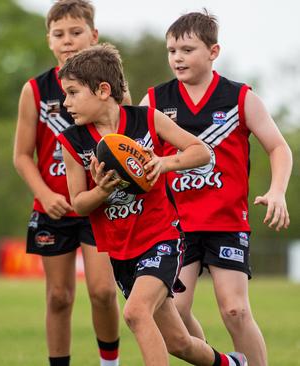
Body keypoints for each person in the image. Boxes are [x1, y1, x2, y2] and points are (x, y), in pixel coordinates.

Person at [57, 43, 248, 366]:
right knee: (178, 342)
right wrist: (101, 190)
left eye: (73, 93)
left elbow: (201, 152)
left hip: (161, 237)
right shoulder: (72, 141)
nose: (66, 102)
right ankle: (233, 363)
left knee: (135, 312)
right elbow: (79, 204)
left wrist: (163, 163)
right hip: (120, 250)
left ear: (103, 90)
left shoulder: (146, 119)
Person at [139, 10, 292, 366]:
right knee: (175, 312)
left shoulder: (240, 98)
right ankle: (218, 362)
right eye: (171, 50)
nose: (177, 57)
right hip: (174, 225)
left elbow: (279, 147)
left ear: (213, 51)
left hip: (226, 221)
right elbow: (136, 154)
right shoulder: (155, 101)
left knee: (235, 310)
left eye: (187, 49)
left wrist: (277, 190)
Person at [12, 1, 125, 365]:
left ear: (94, 35)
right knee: (58, 296)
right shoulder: (35, 90)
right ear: (49, 40)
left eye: (76, 32)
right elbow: (21, 156)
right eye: (59, 34)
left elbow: (132, 146)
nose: (68, 41)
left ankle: (110, 363)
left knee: (104, 292)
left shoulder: (114, 88)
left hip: (100, 205)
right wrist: (44, 194)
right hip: (54, 207)